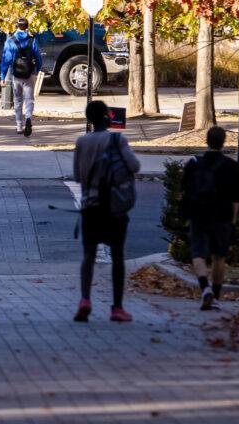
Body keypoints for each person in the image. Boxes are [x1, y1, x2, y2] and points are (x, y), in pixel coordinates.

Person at [72, 100, 141, 323]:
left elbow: (77, 175)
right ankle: (117, 307)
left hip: (90, 206)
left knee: (88, 255)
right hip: (114, 208)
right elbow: (135, 166)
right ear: (106, 117)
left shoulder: (82, 142)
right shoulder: (117, 139)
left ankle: (85, 300)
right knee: (118, 256)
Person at [181, 126, 239, 310]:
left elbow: (184, 188)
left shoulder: (194, 163)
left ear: (206, 141)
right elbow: (236, 198)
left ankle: (204, 287)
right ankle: (215, 295)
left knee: (198, 253)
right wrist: (233, 220)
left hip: (199, 213)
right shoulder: (232, 166)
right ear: (224, 142)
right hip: (222, 214)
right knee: (219, 256)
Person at [0, 18, 44, 137]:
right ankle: (28, 117)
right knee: (29, 99)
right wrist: (36, 70)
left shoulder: (10, 41)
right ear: (27, 26)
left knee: (18, 100)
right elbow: (39, 58)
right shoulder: (32, 40)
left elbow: (6, 60)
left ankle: (19, 126)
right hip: (29, 73)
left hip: (16, 74)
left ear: (17, 26)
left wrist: (2, 76)